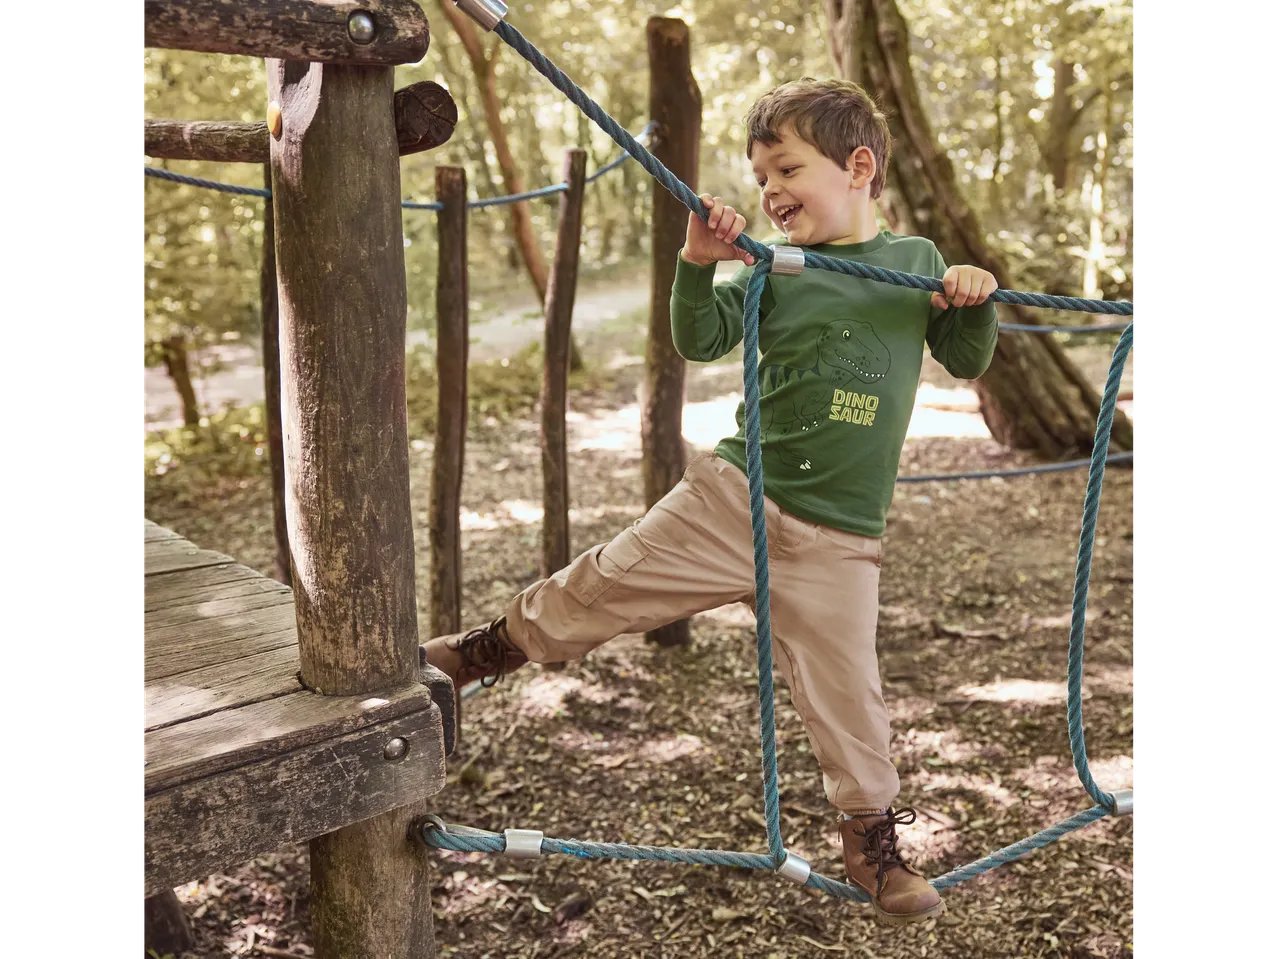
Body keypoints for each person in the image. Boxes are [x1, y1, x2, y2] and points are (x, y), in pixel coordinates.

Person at [422, 77, 998, 926]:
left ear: (859, 167)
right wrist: (698, 259)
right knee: (602, 585)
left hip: (841, 539)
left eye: (786, 169)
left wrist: (974, 292)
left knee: (852, 697)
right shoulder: (770, 265)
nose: (769, 192)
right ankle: (484, 651)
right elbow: (700, 336)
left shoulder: (915, 262)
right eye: (761, 176)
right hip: (734, 501)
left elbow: (965, 353)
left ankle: (871, 841)